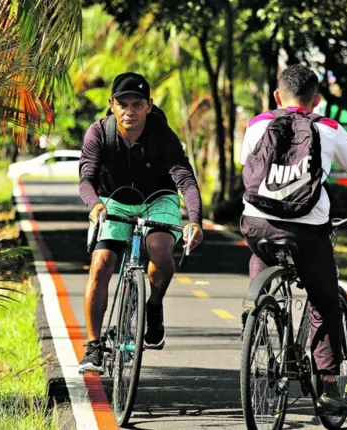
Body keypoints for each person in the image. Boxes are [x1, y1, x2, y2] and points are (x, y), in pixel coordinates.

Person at [239, 65, 347, 413]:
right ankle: (327, 384)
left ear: (278, 96)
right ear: (317, 99)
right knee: (324, 300)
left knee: (260, 256)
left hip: (257, 224)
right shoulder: (330, 129)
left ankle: (259, 313)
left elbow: (248, 170)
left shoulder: (256, 124)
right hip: (307, 231)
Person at [77, 72, 204, 373]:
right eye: (122, 104)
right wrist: (94, 205)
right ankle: (94, 347)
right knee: (101, 263)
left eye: (136, 104)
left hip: (158, 198)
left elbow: (184, 179)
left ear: (149, 105)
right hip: (113, 198)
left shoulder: (163, 135)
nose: (129, 111)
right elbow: (87, 179)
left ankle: (154, 305)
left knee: (159, 246)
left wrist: (195, 220)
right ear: (111, 104)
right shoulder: (99, 133)